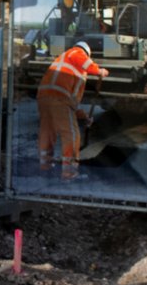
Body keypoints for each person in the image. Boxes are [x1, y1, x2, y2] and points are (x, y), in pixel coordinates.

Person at [35, 40, 106, 180]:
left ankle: (45, 167)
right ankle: (70, 173)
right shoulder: (75, 52)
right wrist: (99, 70)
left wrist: (85, 117)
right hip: (59, 99)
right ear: (87, 53)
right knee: (72, 134)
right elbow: (85, 62)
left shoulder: (66, 64)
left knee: (47, 131)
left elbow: (72, 105)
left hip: (44, 98)